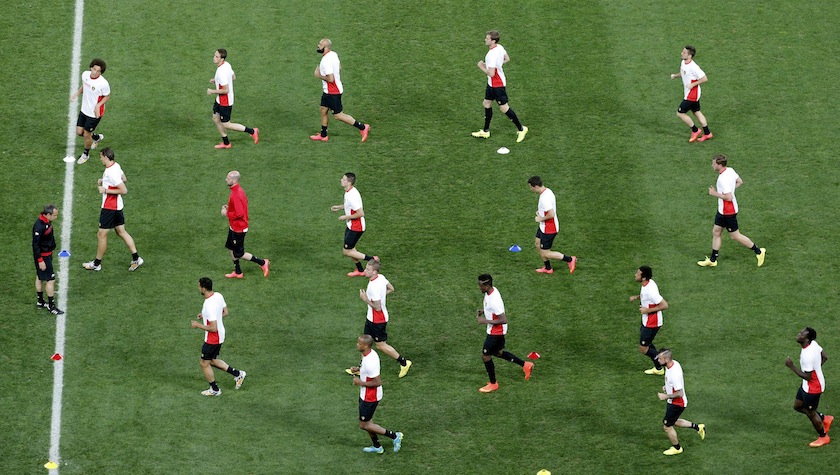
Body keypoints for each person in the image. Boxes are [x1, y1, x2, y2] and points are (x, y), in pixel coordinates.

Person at [697, 155, 766, 268]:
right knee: (716, 232)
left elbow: (728, 197)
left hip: (728, 211)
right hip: (722, 211)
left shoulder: (722, 179)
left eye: (714, 163)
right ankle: (713, 259)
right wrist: (731, 190)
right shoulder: (731, 170)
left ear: (719, 165)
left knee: (735, 236)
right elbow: (740, 182)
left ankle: (759, 251)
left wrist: (715, 194)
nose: (712, 165)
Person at [82, 148, 144, 272]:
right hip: (117, 207)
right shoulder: (116, 166)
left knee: (101, 235)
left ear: (106, 157)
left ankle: (97, 263)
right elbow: (123, 179)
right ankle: (136, 258)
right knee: (121, 232)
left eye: (101, 157)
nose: (100, 159)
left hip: (109, 207)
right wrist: (104, 181)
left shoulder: (111, 172)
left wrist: (105, 190)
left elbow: (124, 189)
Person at [476, 274, 533, 393]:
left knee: (486, 356)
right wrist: (484, 310)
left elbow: (503, 319)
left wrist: (484, 320)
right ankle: (525, 365)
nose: (479, 288)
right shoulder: (491, 291)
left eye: (480, 286)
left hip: (496, 331)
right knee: (498, 352)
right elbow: (492, 308)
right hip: (497, 330)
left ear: (487, 285)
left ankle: (493, 384)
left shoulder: (494, 300)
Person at [191, 277, 246, 396]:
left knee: (204, 363)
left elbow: (213, 328)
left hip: (213, 337)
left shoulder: (208, 305)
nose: (198, 288)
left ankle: (215, 389)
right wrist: (205, 316)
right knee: (211, 360)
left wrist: (198, 325)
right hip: (221, 334)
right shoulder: (218, 295)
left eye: (199, 286)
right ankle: (238, 374)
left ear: (204, 288)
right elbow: (225, 312)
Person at [356, 259, 412, 377]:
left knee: (380, 345)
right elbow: (391, 288)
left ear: (375, 272)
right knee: (365, 342)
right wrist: (381, 297)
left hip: (377, 320)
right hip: (371, 318)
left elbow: (377, 308)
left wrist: (365, 298)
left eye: (368, 269)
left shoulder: (373, 287)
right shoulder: (381, 277)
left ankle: (404, 362)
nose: (365, 271)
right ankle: (361, 368)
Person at [349, 334, 403, 454]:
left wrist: (359, 382)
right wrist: (357, 369)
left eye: (359, 343)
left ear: (366, 345)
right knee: (368, 422)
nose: (357, 345)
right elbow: (365, 369)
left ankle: (395, 436)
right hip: (365, 394)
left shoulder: (371, 361)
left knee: (364, 425)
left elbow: (377, 382)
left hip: (370, 397)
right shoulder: (367, 354)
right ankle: (377, 446)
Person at [471, 30, 528, 143]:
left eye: (487, 38)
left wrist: (481, 66)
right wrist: (497, 65)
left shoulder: (491, 55)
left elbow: (491, 73)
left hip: (497, 85)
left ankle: (521, 129)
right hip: (492, 84)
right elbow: (507, 59)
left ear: (493, 41)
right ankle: (486, 131)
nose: (485, 40)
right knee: (486, 103)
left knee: (504, 108)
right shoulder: (500, 47)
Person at [309, 38, 370, 142]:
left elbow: (331, 79)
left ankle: (363, 127)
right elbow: (339, 67)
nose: (318, 46)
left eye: (320, 44)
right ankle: (324, 135)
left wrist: (319, 75)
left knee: (338, 115)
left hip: (333, 92)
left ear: (326, 47)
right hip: (329, 91)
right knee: (323, 110)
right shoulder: (333, 54)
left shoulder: (325, 61)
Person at [785, 327, 833, 447]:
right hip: (807, 386)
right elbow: (824, 357)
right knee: (798, 406)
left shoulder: (808, 356)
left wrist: (791, 366)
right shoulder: (814, 344)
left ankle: (823, 436)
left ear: (807, 339)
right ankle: (824, 418)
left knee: (811, 412)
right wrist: (817, 368)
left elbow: (807, 376)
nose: (798, 334)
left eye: (802, 334)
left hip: (813, 388)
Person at [656, 349, 705, 455]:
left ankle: (677, 448)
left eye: (660, 358)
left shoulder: (674, 374)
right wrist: (668, 387)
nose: (658, 360)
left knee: (667, 426)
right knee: (674, 421)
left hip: (677, 403)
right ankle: (698, 427)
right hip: (675, 401)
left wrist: (666, 396)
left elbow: (680, 393)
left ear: (667, 359)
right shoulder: (674, 364)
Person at [207, 48, 259, 149]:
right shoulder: (227, 65)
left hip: (225, 102)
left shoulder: (222, 71)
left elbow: (226, 90)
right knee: (216, 118)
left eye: (217, 57)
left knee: (226, 124)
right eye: (214, 55)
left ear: (222, 59)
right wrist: (216, 80)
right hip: (219, 100)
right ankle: (226, 143)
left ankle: (252, 131)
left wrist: (212, 91)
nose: (214, 58)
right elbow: (233, 77)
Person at [222, 171, 269, 278]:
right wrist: (230, 208)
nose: (226, 179)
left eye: (228, 178)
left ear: (234, 180)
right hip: (234, 226)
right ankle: (238, 272)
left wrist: (227, 213)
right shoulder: (237, 191)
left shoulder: (236, 194)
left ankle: (262, 262)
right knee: (230, 247)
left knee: (239, 253)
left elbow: (239, 213)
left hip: (239, 228)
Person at [330, 173, 377, 276]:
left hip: (356, 227)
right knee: (351, 249)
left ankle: (372, 259)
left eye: (343, 179)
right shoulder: (349, 192)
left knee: (347, 251)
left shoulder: (352, 196)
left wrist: (345, 217)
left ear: (349, 182)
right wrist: (339, 207)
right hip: (351, 225)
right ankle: (360, 270)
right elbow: (349, 206)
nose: (341, 180)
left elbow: (360, 213)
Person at [528, 176, 576, 274]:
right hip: (543, 226)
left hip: (549, 229)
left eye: (531, 187)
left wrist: (540, 218)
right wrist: (540, 212)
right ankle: (548, 268)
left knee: (547, 253)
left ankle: (570, 259)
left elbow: (551, 214)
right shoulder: (547, 191)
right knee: (537, 244)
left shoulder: (544, 199)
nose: (531, 189)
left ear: (536, 186)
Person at [629, 266, 669, 375]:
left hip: (652, 323)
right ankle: (659, 368)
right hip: (646, 321)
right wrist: (637, 297)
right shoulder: (647, 284)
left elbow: (664, 305)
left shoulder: (651, 291)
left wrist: (648, 310)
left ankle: (664, 361)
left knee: (643, 349)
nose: (635, 275)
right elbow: (645, 296)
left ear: (643, 278)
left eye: (638, 274)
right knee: (647, 343)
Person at [669, 45, 712, 142]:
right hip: (691, 93)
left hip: (692, 94)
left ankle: (695, 130)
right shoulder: (683, 62)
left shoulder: (694, 67)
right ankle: (708, 133)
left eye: (684, 52)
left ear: (690, 56)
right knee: (696, 111)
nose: (681, 53)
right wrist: (675, 76)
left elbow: (704, 78)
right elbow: (683, 73)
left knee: (680, 113)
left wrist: (693, 85)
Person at [71, 58, 110, 164]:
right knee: (79, 132)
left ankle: (85, 154)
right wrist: (77, 93)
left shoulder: (103, 83)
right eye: (94, 69)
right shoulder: (85, 75)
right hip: (84, 110)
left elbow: (107, 96)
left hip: (94, 114)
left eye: (98, 71)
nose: (95, 72)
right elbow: (85, 86)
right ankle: (97, 137)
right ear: (91, 68)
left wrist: (98, 105)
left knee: (86, 134)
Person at [32, 204, 64, 315]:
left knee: (39, 276)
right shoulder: (39, 226)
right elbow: (35, 245)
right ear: (48, 214)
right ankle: (51, 306)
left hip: (46, 254)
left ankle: (40, 302)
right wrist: (40, 260)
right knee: (51, 280)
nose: (56, 217)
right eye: (54, 215)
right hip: (43, 256)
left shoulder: (45, 221)